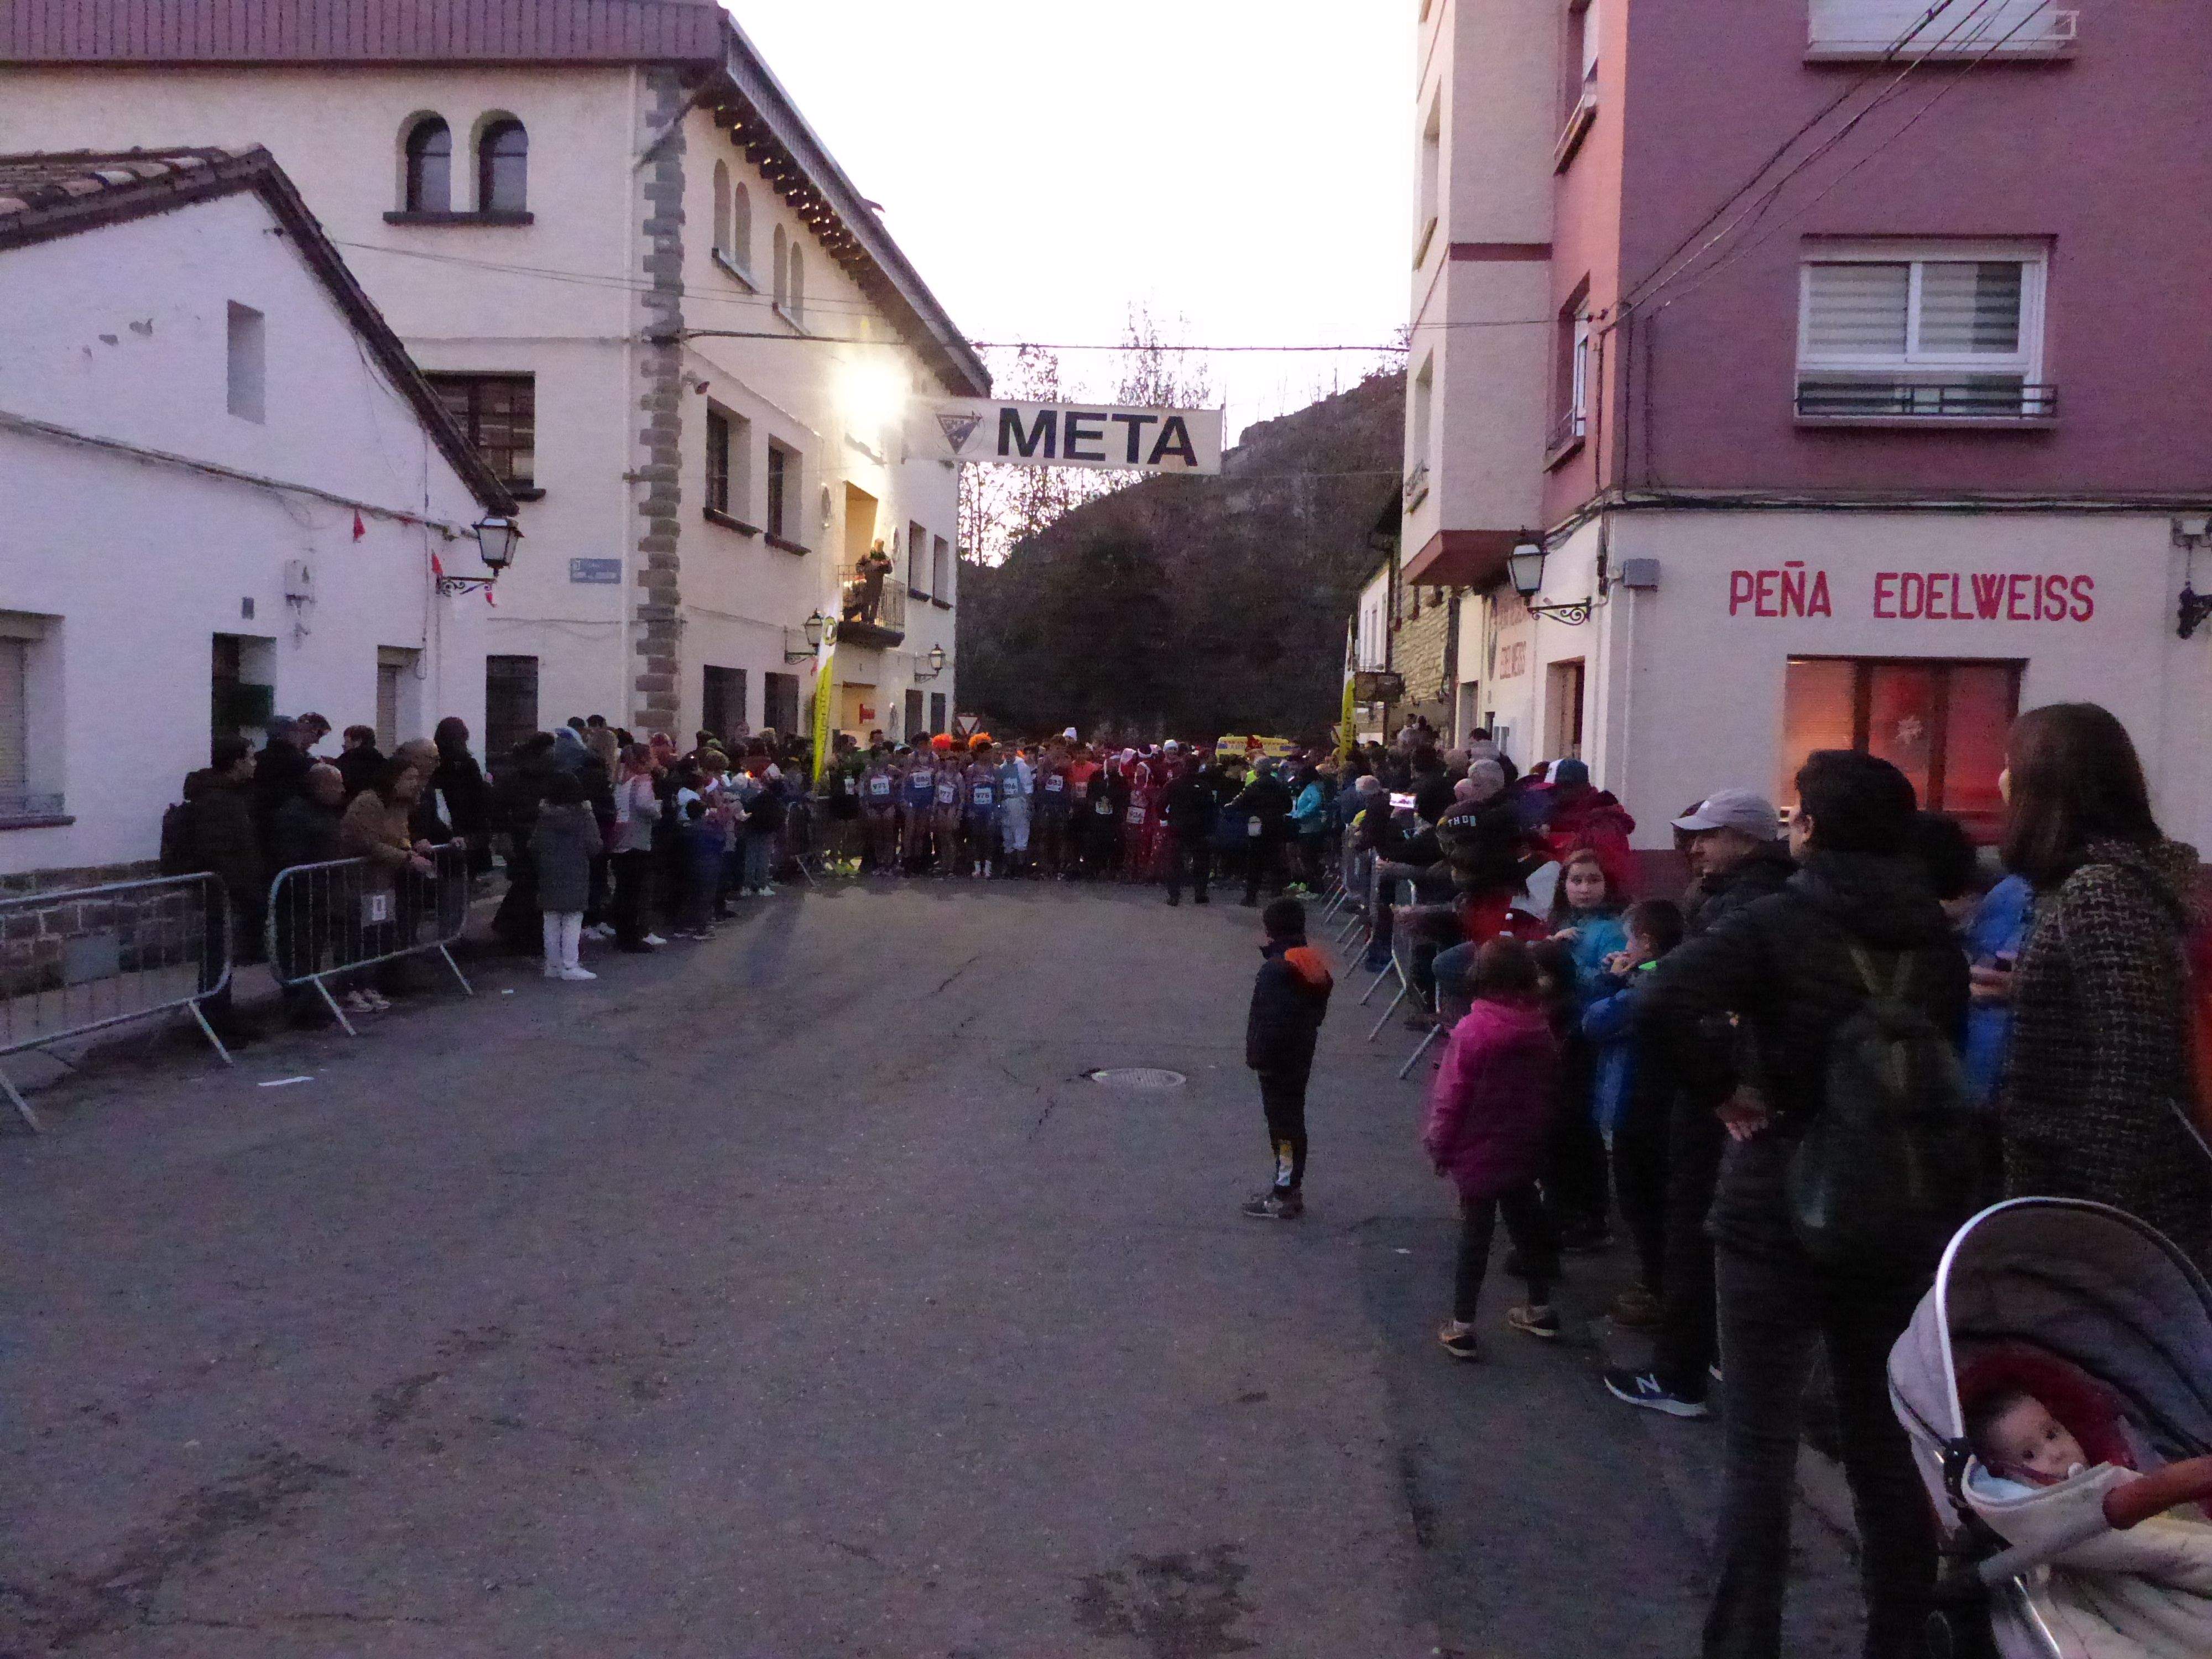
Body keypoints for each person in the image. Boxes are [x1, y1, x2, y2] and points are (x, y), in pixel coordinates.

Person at [1639, 750, 1964, 1659]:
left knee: (1759, 1447)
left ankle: (1745, 1644)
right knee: (1884, 1443)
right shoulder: (1935, 940)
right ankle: (1895, 1637)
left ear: (1813, 829)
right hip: (1895, 1213)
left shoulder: (1780, 922)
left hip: (1776, 1197)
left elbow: (1666, 999)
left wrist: (1724, 1095)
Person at [1604, 787, 1797, 1421]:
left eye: (1707, 835)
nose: (1694, 847)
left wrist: (1716, 1090)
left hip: (1720, 1085)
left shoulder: (1745, 905)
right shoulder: (1761, 897)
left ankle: (1679, 1373)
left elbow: (1685, 996)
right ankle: (1715, 1351)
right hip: (1739, 1080)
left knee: (1694, 1221)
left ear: (1743, 838)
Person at [1994, 702, 2210, 1267]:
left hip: (2100, 1195)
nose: (2000, 779)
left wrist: (2096, 1213)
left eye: (2010, 763)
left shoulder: (2099, 888)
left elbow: (2134, 1053)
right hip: (2090, 1185)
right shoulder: (2100, 883)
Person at [1423, 938, 1565, 1358]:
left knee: (1476, 1236)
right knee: (1527, 1227)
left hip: (1477, 1144)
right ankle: (1539, 1307)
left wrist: (1440, 1147)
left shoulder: (1473, 1030)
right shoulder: (1539, 1027)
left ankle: (1462, 1323)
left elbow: (1452, 1096)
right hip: (1523, 1144)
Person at [1583, 898, 1687, 1333]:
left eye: (1630, 939)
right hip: (1659, 1106)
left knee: (1640, 1200)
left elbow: (1596, 1023)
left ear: (1645, 942)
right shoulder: (1673, 975)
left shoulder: (1645, 987)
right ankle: (1659, 1281)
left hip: (1637, 1106)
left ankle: (1655, 1287)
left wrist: (1611, 980)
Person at [1543, 845, 1632, 1253]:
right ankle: (1569, 1207)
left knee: (1578, 1126)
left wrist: (1558, 959)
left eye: (1593, 880)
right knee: (1567, 1126)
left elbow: (1603, 982)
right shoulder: (1565, 922)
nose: (1584, 889)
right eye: (1576, 880)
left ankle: (1587, 1216)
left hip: (1587, 1032)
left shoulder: (1611, 929)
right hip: (1563, 1029)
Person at [1243, 897, 1334, 1220]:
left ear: (1270, 929)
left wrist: (1258, 1057)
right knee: (1293, 1123)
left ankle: (1283, 1192)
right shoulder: (1310, 963)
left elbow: (1268, 1021)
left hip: (1276, 1062)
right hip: (1299, 1055)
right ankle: (1290, 1187)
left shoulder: (1275, 970)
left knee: (1282, 1129)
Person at [176, 735, 265, 1043]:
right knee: (218, 956)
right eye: (251, 758)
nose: (255, 764)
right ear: (237, 762)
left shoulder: (231, 796)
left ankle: (220, 1016)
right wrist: (241, 888)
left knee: (222, 956)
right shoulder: (218, 800)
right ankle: (215, 1021)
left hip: (229, 889)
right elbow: (221, 852)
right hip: (223, 891)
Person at [338, 756, 436, 1015]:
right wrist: (407, 857)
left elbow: (398, 837)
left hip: (383, 880)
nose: (415, 784)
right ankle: (350, 987)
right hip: (361, 880)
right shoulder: (369, 802)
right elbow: (368, 843)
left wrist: (414, 845)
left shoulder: (400, 806)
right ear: (394, 778)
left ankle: (367, 983)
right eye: (409, 778)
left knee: (376, 932)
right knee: (356, 935)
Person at [533, 771, 601, 981]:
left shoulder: (545, 815)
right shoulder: (584, 815)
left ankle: (552, 964)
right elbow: (595, 845)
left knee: (551, 917)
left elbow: (535, 844)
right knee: (573, 917)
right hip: (576, 870)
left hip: (549, 870)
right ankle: (570, 965)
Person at [609, 745, 663, 951]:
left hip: (620, 837)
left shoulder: (621, 781)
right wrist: (657, 813)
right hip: (637, 838)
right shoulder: (643, 781)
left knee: (623, 889)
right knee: (633, 891)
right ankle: (630, 938)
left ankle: (623, 933)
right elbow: (644, 805)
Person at [430, 717, 494, 878]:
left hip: (446, 823)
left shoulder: (436, 763)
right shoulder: (467, 763)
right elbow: (477, 797)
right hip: (466, 824)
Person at [1231, 760, 1296, 906]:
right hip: (1276, 826)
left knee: (1255, 862)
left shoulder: (1253, 787)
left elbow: (1238, 804)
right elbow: (1288, 807)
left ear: (1258, 771)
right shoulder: (1281, 786)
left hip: (1257, 826)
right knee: (1275, 860)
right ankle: (1277, 894)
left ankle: (1251, 897)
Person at [1162, 752, 1222, 906]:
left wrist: (1167, 818)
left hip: (1178, 827)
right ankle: (1200, 893)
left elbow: (1160, 805)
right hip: (1199, 829)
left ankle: (1174, 895)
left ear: (1183, 767)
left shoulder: (1173, 785)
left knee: (1175, 863)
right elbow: (1211, 809)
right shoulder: (1204, 786)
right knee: (1201, 862)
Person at [334, 725, 383, 800]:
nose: (345, 745)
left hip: (349, 802)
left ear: (359, 741)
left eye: (349, 741)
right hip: (375, 802)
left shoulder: (347, 759)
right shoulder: (382, 761)